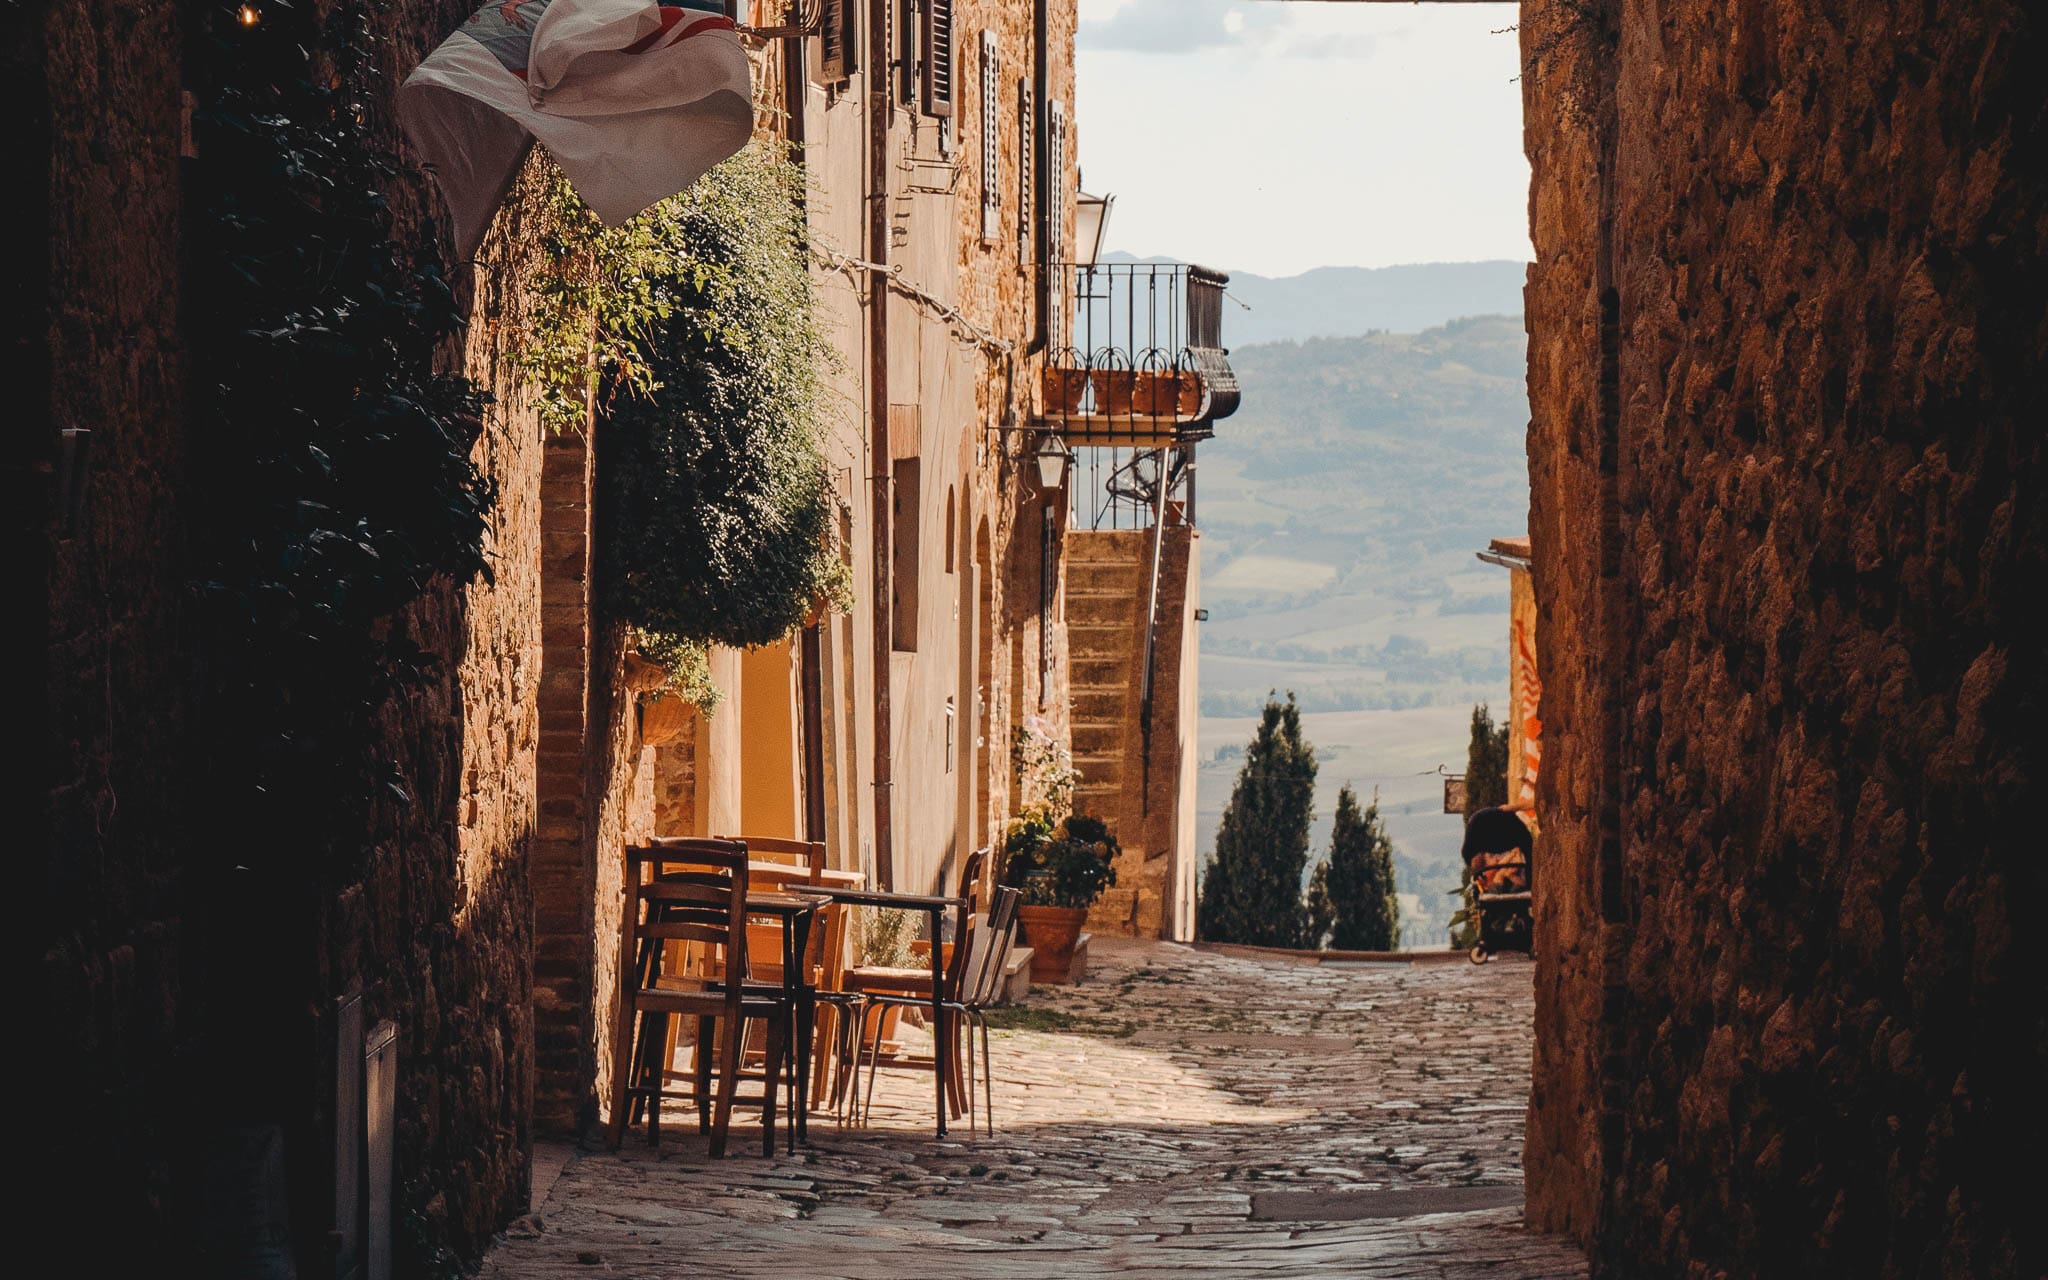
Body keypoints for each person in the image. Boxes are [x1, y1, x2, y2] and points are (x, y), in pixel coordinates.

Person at [1462, 806, 1532, 895]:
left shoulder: (1498, 863)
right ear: (1485, 873)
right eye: (1491, 857)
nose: (1496, 859)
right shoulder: (1493, 883)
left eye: (1492, 856)